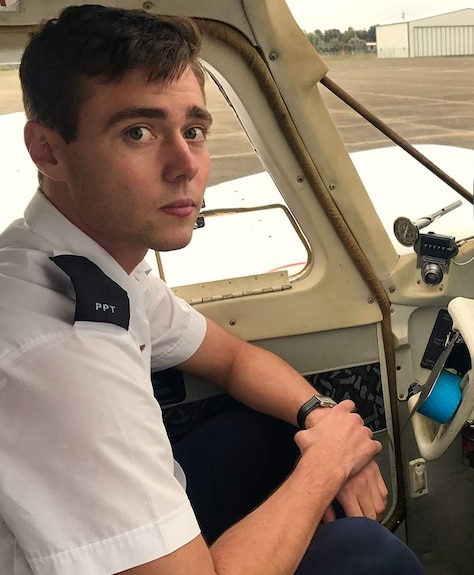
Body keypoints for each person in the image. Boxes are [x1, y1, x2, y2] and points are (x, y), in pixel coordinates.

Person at [0, 5, 424, 575]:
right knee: (368, 557)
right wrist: (327, 463)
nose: (186, 165)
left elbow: (232, 359)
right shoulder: (61, 350)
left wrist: (320, 417)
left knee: (275, 431)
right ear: (48, 150)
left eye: (194, 131)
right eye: (138, 132)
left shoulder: (86, 261)